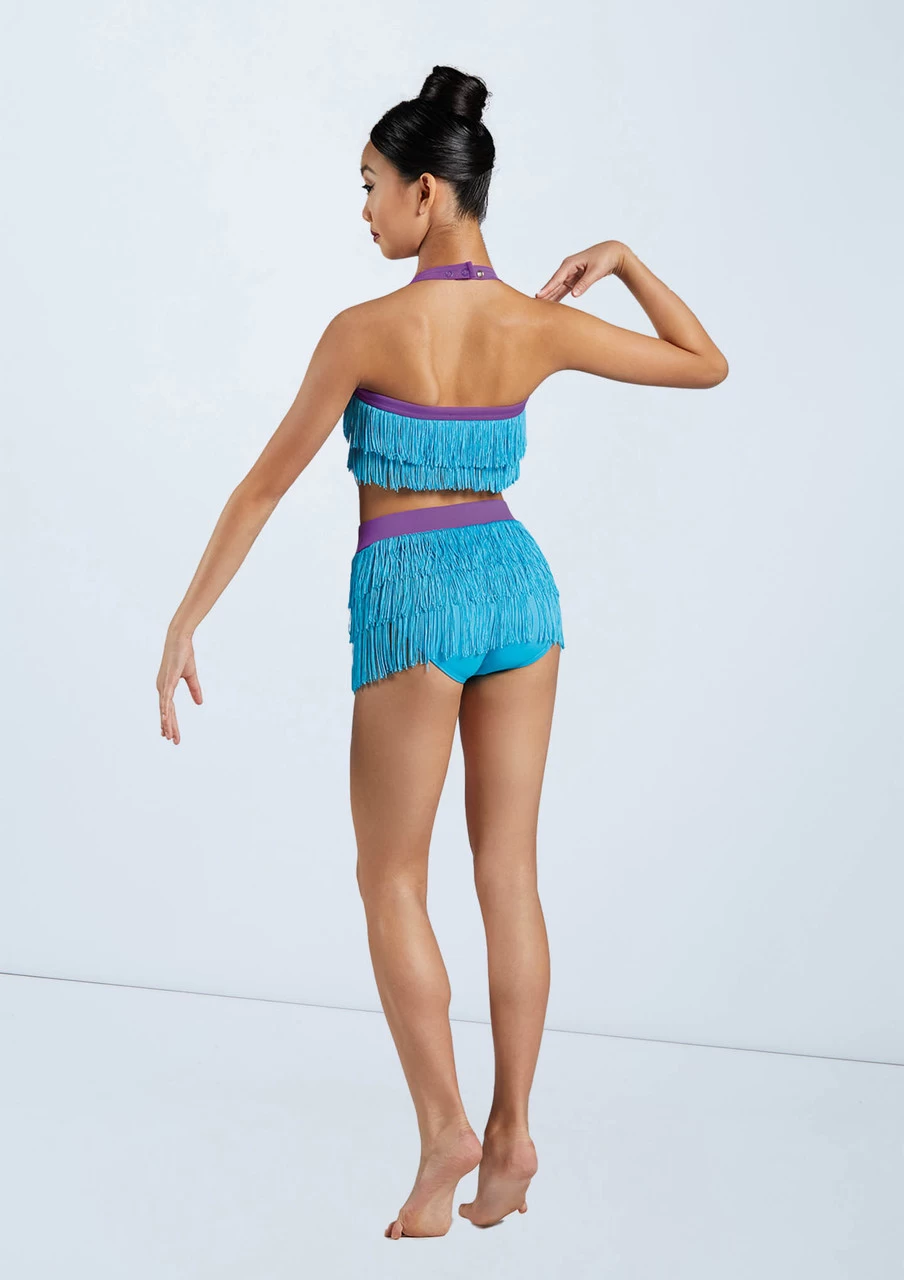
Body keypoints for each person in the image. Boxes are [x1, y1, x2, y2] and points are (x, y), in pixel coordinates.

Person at [156, 64, 728, 1240]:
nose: (364, 209)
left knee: (391, 877)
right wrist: (622, 259)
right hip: (517, 583)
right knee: (508, 871)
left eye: (371, 185)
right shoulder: (535, 322)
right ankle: (513, 1133)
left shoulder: (364, 331)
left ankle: (445, 1131)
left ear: (427, 191)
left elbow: (262, 488)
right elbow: (702, 361)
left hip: (412, 591)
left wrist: (184, 618)